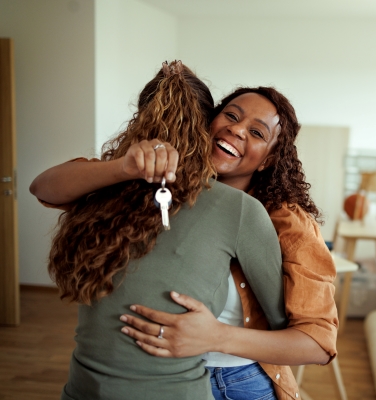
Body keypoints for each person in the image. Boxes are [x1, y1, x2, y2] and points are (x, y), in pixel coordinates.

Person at [31, 86, 339, 400]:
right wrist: (121, 168)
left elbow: (317, 342)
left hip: (233, 382)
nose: (236, 129)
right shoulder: (152, 188)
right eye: (231, 116)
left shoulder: (287, 223)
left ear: (269, 158)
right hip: (149, 381)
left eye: (257, 132)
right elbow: (44, 188)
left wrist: (217, 337)